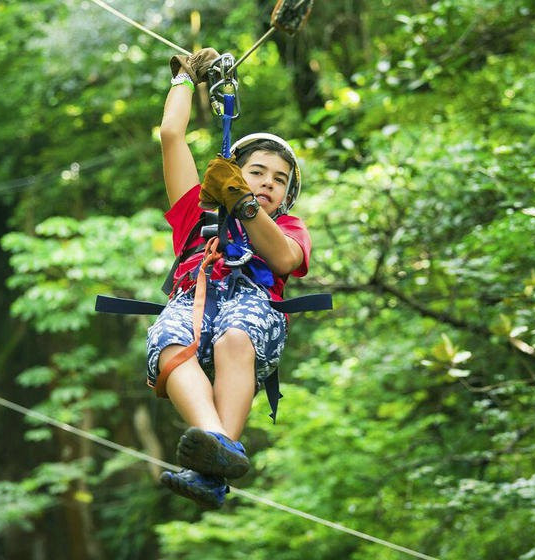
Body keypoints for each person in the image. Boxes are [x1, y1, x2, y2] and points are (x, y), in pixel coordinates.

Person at [146, 48, 312, 509]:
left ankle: (214, 453)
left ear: (286, 195)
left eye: (279, 180)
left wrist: (244, 204)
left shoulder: (288, 228)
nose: (267, 183)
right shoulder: (194, 216)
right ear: (235, 171)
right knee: (169, 340)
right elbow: (171, 136)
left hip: (252, 314)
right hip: (194, 303)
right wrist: (183, 80)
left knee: (235, 335)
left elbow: (282, 259)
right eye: (256, 172)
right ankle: (217, 447)